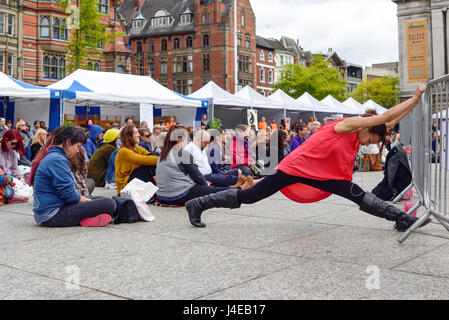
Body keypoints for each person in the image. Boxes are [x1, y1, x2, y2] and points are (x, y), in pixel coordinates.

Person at [185, 85, 433, 232]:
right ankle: (198, 204)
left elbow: (389, 120)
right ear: (368, 129)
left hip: (322, 173)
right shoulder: (350, 124)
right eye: (371, 140)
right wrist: (414, 96)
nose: (369, 145)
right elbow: (386, 117)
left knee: (355, 192)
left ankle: (401, 219)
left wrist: (416, 100)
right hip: (297, 167)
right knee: (251, 197)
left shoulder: (361, 133)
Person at [32, 126, 116, 227]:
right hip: (52, 215)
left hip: (54, 210)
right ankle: (86, 219)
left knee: (101, 200)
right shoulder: (57, 159)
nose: (77, 151)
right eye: (77, 146)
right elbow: (70, 196)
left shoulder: (56, 156)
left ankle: (87, 219)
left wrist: (90, 202)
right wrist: (89, 202)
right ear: (68, 142)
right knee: (109, 204)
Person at [155, 125, 230, 206]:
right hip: (178, 196)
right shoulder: (182, 154)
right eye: (186, 139)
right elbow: (198, 177)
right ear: (179, 139)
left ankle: (236, 188)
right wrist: (205, 185)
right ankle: (238, 190)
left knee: (210, 188)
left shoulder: (162, 155)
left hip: (161, 197)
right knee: (214, 190)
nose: (186, 142)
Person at [115, 125, 158, 195]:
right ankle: (158, 185)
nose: (138, 135)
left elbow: (151, 155)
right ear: (128, 136)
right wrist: (164, 159)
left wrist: (162, 157)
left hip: (134, 181)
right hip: (125, 188)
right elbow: (144, 160)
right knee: (149, 162)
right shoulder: (123, 151)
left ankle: (157, 187)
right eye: (135, 133)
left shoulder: (136, 148)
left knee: (153, 155)